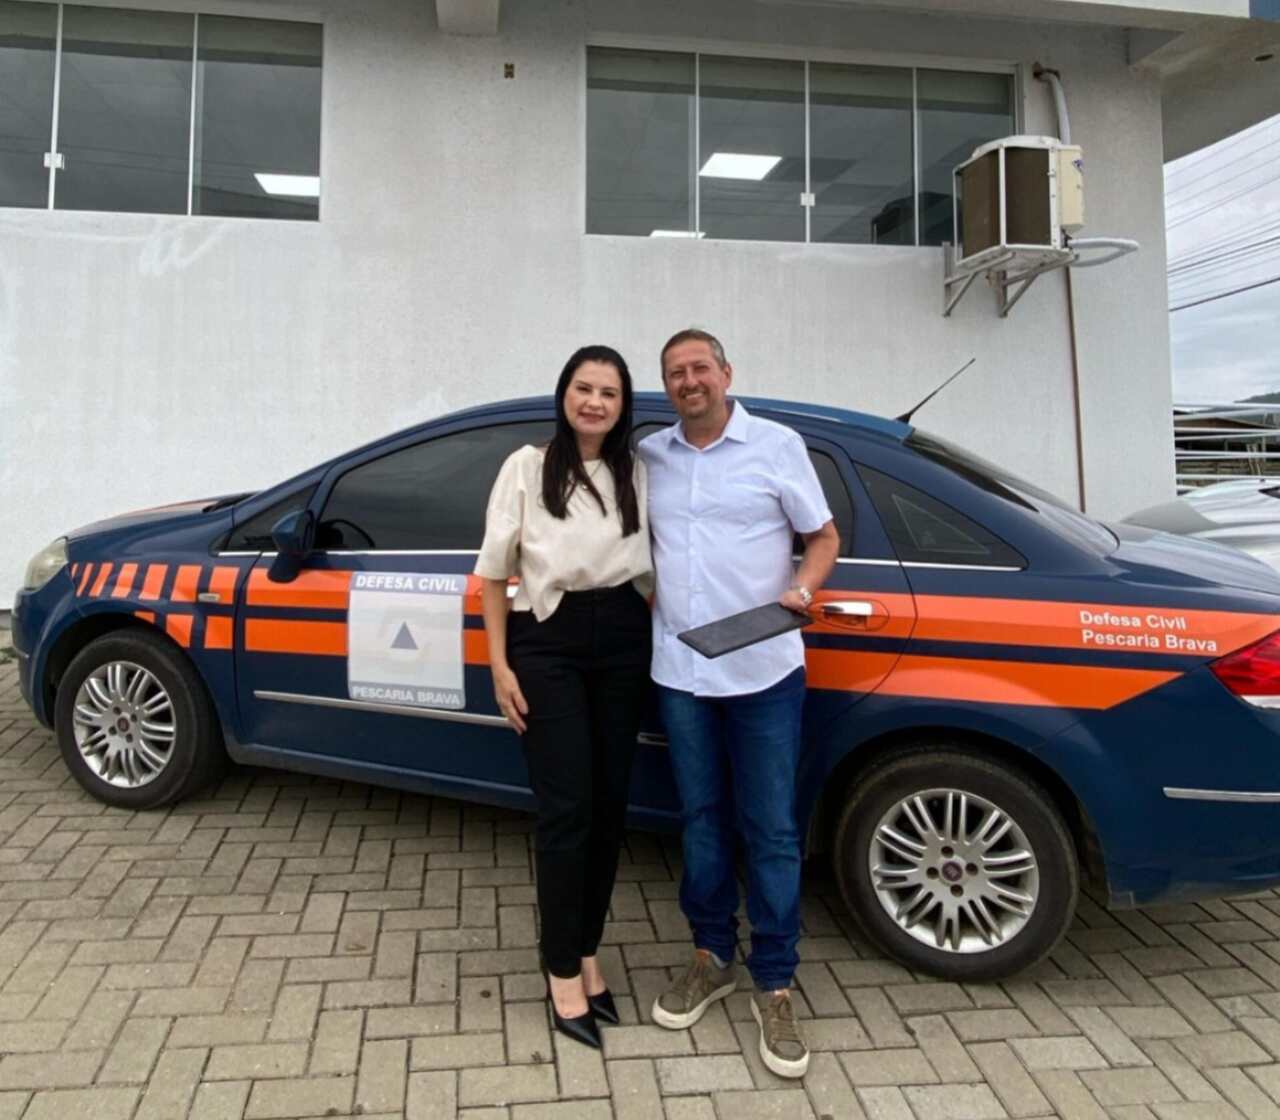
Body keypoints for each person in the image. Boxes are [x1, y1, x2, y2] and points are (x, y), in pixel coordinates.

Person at [639, 328, 839, 1079]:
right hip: (681, 671)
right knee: (700, 820)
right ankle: (711, 955)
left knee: (772, 829)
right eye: (675, 373)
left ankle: (775, 981)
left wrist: (803, 589)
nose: (689, 381)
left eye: (700, 368)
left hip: (763, 671)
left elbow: (823, 537)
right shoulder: (650, 456)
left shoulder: (777, 446)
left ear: (726, 373)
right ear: (667, 386)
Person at [475, 345, 653, 1050]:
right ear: (564, 394)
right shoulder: (526, 467)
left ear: (622, 405)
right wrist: (500, 666)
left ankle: (587, 949)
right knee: (567, 808)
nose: (595, 402)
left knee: (609, 808)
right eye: (584, 388)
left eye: (609, 392)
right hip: (547, 639)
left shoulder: (636, 471)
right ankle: (559, 968)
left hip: (623, 634)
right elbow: (494, 575)